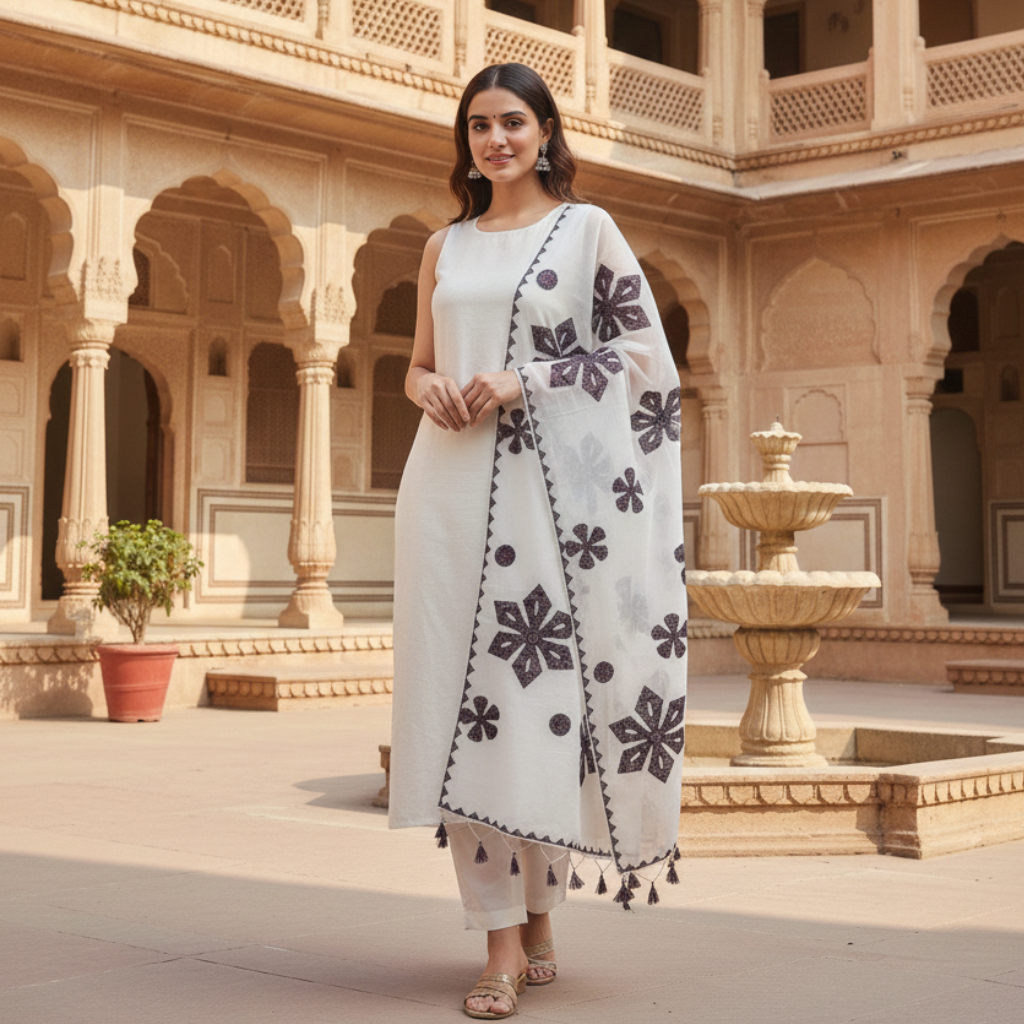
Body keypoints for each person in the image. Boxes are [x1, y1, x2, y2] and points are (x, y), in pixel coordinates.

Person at [389, 63, 688, 1020]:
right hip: (446, 491)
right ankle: (500, 938)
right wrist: (421, 386)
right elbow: (418, 363)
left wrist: (526, 381)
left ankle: (539, 908)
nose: (494, 140)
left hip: (550, 504)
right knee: (459, 714)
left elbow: (646, 357)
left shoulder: (586, 230)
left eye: (512, 122)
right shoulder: (445, 244)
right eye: (477, 126)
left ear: (547, 131)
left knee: (534, 708)